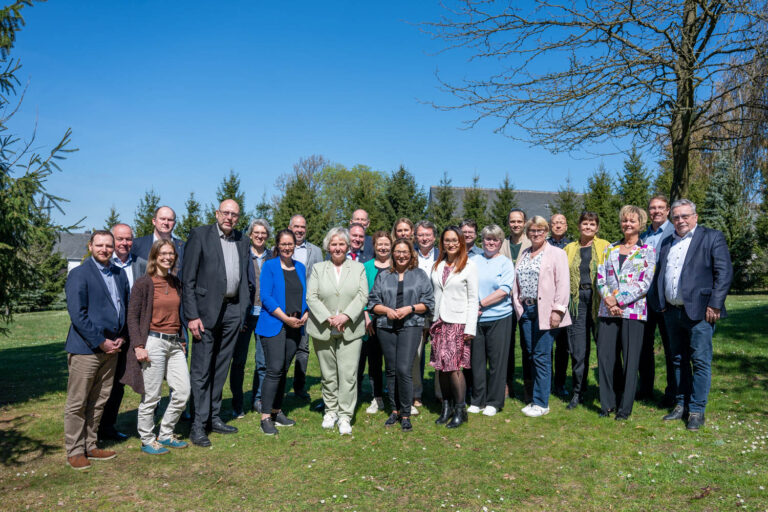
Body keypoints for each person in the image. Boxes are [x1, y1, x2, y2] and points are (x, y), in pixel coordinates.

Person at [649, 199, 733, 431]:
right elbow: (661, 274)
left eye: (685, 216)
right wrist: (661, 303)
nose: (680, 220)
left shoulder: (711, 237)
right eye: (676, 217)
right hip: (672, 312)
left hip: (700, 312)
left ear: (695, 216)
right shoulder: (667, 241)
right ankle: (680, 403)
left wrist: (715, 304)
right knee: (677, 360)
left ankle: (696, 410)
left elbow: (723, 273)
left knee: (700, 361)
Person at [181, 199, 250, 447]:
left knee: (221, 367)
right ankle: (198, 424)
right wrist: (191, 315)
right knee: (201, 370)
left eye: (234, 214)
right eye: (226, 213)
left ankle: (213, 416)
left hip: (232, 311)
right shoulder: (200, 235)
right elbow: (187, 279)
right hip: (205, 312)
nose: (229, 218)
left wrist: (242, 310)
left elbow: (245, 277)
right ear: (217, 213)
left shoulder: (242, 239)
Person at [63, 230, 129, 470]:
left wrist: (121, 337)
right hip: (86, 349)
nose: (104, 249)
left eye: (108, 245)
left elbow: (125, 307)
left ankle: (91, 444)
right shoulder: (79, 274)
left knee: (99, 400)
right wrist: (101, 341)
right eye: (99, 245)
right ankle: (75, 450)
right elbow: (78, 315)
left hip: (112, 349)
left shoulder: (119, 274)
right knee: (78, 402)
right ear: (90, 246)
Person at [124, 240, 190, 455]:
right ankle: (147, 439)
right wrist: (138, 346)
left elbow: (178, 315)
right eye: (163, 253)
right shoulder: (143, 283)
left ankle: (166, 433)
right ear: (154, 256)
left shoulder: (176, 282)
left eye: (171, 253)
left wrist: (182, 339)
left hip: (174, 343)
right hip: (153, 342)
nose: (167, 257)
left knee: (182, 391)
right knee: (152, 396)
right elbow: (132, 317)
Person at [306, 227, 369, 435]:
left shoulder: (358, 268)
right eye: (334, 244)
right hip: (323, 328)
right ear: (328, 246)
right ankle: (330, 411)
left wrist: (346, 316)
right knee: (328, 373)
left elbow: (362, 295)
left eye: (342, 244)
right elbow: (311, 297)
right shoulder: (318, 268)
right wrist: (328, 318)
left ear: (347, 246)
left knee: (348, 374)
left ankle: (345, 415)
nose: (338, 248)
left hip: (350, 328)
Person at [595, 205, 656, 420]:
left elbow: (644, 284)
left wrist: (618, 300)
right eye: (624, 220)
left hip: (633, 312)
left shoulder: (647, 251)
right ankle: (607, 403)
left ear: (640, 224)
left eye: (632, 221)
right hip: (607, 311)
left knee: (630, 360)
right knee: (605, 357)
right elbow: (600, 278)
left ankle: (624, 408)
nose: (627, 224)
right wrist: (608, 300)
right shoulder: (609, 249)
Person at [369, 239, 434, 432]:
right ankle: (394, 410)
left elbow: (428, 302)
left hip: (411, 325)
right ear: (393, 253)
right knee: (390, 369)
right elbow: (373, 301)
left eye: (405, 251)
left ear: (411, 254)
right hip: (386, 325)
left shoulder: (420, 275)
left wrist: (410, 308)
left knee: (404, 369)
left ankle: (406, 412)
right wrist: (387, 310)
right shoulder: (383, 276)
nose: (401, 255)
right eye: (397, 251)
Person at [512, 216, 571, 417]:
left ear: (546, 232)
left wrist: (558, 310)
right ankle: (535, 398)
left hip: (546, 310)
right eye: (532, 231)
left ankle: (541, 403)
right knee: (530, 354)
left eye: (540, 230)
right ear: (527, 233)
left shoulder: (556, 253)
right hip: (526, 311)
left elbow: (563, 283)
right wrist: (519, 307)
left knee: (541, 356)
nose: (536, 234)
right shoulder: (525, 253)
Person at [256, 229, 309, 435]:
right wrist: (285, 318)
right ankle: (265, 416)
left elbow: (305, 294)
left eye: (291, 244)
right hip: (275, 324)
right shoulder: (269, 266)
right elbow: (266, 297)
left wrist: (306, 313)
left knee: (283, 370)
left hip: (295, 325)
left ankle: (277, 411)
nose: (287, 247)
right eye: (283, 244)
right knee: (274, 370)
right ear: (277, 245)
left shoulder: (300, 267)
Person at [98, 223, 146, 442]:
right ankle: (95, 426)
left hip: (133, 332)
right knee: (104, 382)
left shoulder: (142, 265)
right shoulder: (105, 264)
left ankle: (108, 425)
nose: (125, 243)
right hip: (110, 333)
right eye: (120, 239)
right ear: (112, 240)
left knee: (122, 382)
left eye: (128, 239)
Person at [430, 226, 479, 428]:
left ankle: (461, 409)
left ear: (461, 242)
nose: (451, 244)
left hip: (458, 323)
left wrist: (470, 328)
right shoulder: (438, 265)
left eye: (454, 240)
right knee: (441, 368)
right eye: (447, 240)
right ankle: (446, 408)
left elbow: (473, 298)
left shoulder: (469, 266)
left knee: (454, 368)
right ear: (442, 243)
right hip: (439, 322)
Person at [563, 212, 610, 409]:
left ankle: (607, 390)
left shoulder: (605, 246)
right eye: (585, 223)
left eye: (592, 224)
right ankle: (577, 392)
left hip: (599, 300)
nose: (588, 227)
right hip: (576, 302)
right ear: (579, 226)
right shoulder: (569, 248)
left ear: (597, 228)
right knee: (578, 349)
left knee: (605, 348)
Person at [467, 224, 515, 417]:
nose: (491, 242)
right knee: (477, 361)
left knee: (497, 361)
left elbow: (504, 290)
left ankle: (494, 401)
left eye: (495, 239)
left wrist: (480, 304)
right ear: (482, 240)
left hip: (499, 317)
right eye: (488, 239)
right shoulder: (473, 261)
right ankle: (477, 400)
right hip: (476, 319)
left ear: (500, 242)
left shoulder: (505, 263)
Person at [229, 219, 272, 418]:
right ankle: (237, 403)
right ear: (250, 234)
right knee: (239, 361)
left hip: (265, 315)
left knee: (263, 362)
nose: (260, 236)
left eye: (263, 233)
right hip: (245, 316)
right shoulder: (242, 255)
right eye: (256, 232)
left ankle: (259, 398)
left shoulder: (273, 257)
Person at [638, 195, 675, 404]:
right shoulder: (643, 236)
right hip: (644, 300)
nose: (657, 211)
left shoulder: (674, 233)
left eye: (661, 207)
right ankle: (646, 388)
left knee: (671, 348)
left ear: (668, 210)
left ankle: (672, 393)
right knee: (644, 347)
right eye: (653, 208)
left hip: (665, 301)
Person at [288, 214, 324, 402]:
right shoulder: (279, 248)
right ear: (290, 227)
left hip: (306, 308)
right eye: (296, 226)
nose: (300, 230)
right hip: (284, 307)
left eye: (303, 226)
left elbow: (320, 279)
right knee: (282, 348)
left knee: (303, 349)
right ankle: (277, 384)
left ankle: (299, 386)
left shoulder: (316, 251)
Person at [500, 208, 531, 401]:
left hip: (526, 301)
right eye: (512, 221)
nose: (516, 225)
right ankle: (507, 382)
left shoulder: (532, 242)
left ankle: (529, 384)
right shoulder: (502, 244)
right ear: (508, 223)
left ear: (525, 222)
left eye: (519, 221)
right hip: (505, 302)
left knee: (528, 344)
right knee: (507, 345)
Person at [360, 231, 392, 414]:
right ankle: (377, 397)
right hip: (371, 323)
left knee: (393, 362)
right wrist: (366, 317)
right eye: (379, 244)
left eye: (386, 244)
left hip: (392, 321)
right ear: (374, 245)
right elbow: (362, 294)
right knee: (374, 362)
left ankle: (395, 396)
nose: (383, 247)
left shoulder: (397, 265)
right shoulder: (366, 267)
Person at [413, 219, 439, 411]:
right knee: (416, 353)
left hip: (439, 311)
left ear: (434, 237)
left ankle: (440, 393)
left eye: (427, 235)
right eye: (421, 235)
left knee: (440, 352)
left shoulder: (443, 255)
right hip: (417, 311)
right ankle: (416, 393)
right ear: (416, 236)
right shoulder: (410, 254)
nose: (424, 238)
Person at [547, 213, 573, 397]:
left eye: (561, 223)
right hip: (547, 302)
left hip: (566, 302)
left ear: (566, 225)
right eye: (554, 223)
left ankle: (560, 383)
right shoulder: (544, 245)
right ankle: (546, 382)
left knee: (563, 347)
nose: (557, 226)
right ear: (549, 226)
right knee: (546, 346)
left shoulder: (571, 247)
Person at [131, 206, 185, 270]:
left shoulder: (184, 247)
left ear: (174, 223)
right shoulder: (137, 244)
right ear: (154, 221)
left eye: (170, 220)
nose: (166, 223)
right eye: (162, 219)